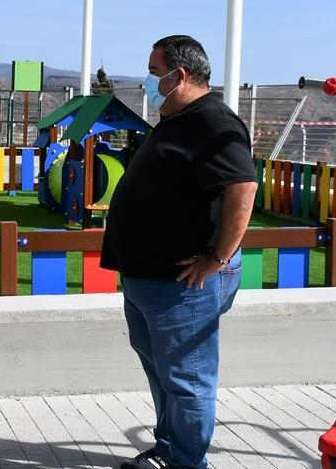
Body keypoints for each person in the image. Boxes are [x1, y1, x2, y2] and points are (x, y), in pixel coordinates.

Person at [101, 35, 260, 469]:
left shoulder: (212, 120)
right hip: (148, 277)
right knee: (163, 372)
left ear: (180, 75)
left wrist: (218, 257)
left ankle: (188, 463)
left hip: (183, 283)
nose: (150, 83)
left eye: (155, 74)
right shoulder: (179, 118)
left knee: (187, 380)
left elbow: (242, 186)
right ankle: (170, 449)